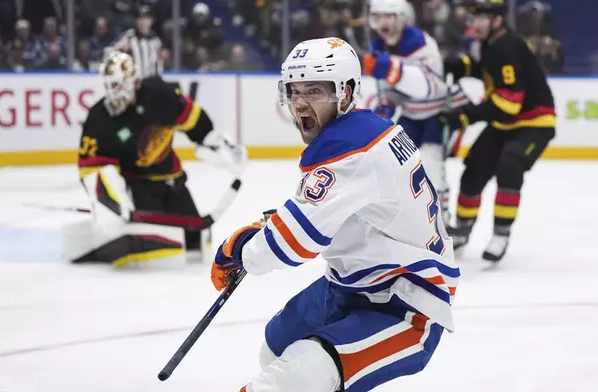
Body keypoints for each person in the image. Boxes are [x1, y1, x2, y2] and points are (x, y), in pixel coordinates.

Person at [210, 37, 459, 392]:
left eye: (315, 91)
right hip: (351, 284)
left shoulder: (349, 148)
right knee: (276, 350)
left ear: (347, 91)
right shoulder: (365, 129)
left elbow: (293, 243)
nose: (301, 104)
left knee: (299, 374)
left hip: (404, 303)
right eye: (295, 92)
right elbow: (347, 210)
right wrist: (270, 227)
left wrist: (241, 250)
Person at [74, 51, 247, 267]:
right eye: (108, 85)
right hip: (140, 187)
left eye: (117, 85)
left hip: (174, 181)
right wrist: (112, 200)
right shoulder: (100, 118)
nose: (111, 92)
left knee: (196, 242)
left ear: (132, 81)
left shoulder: (160, 95)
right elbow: (90, 169)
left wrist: (215, 142)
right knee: (159, 251)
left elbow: (194, 119)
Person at [439, 0, 556, 262]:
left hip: (534, 124)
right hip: (507, 124)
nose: (474, 24)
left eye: (481, 18)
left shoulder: (508, 47)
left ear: (498, 21)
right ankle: (462, 229)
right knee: (475, 166)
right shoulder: (492, 44)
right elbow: (490, 73)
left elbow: (508, 105)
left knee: (510, 163)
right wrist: (462, 66)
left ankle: (501, 233)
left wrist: (464, 116)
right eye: (474, 17)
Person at [362, 0, 469, 224]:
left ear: (401, 18)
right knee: (393, 164)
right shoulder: (379, 46)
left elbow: (430, 87)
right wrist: (387, 104)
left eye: (389, 17)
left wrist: (392, 70)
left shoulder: (420, 43)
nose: (383, 23)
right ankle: (407, 220)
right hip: (410, 114)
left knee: (430, 166)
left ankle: (441, 219)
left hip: (437, 115)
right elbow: (392, 90)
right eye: (378, 17)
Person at [109, 5, 164, 77]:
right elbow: (110, 53)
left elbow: (160, 62)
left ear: (151, 21)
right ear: (136, 21)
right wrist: (121, 51)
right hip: (133, 82)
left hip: (152, 82)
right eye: (140, 18)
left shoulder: (156, 40)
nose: (143, 22)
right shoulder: (129, 37)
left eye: (146, 18)